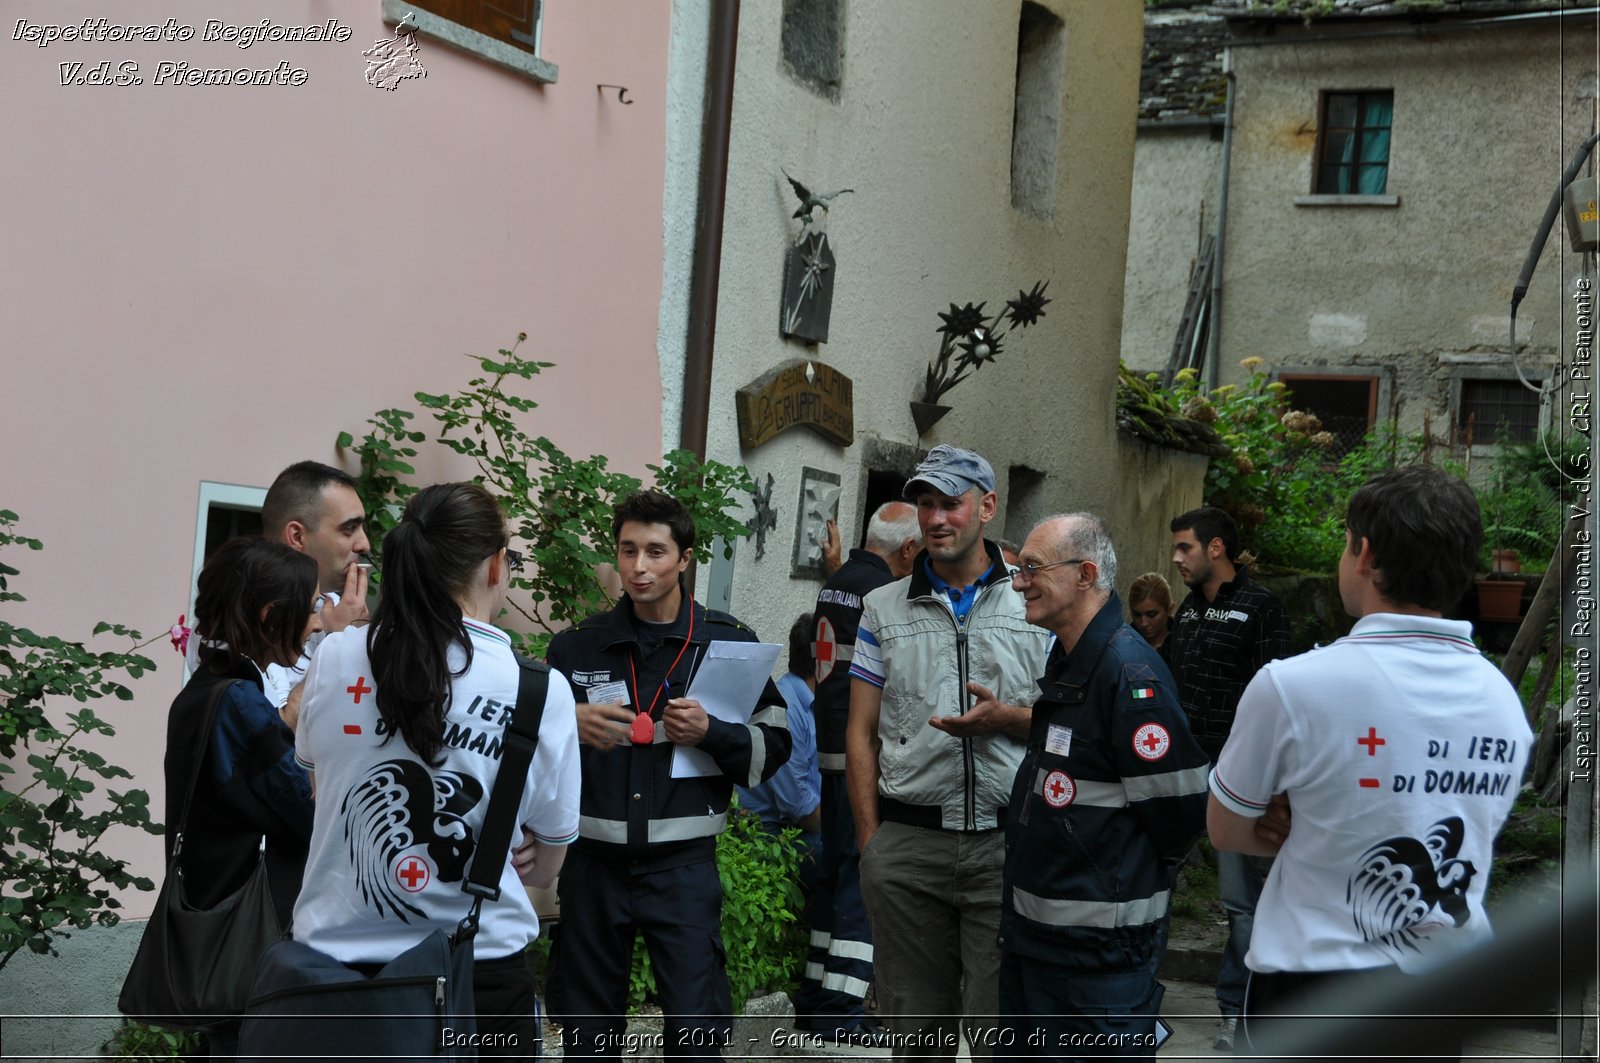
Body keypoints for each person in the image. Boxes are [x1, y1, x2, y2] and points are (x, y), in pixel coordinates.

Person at [1208, 466, 1532, 1059]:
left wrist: (1303, 818)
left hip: (1311, 990)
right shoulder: (1504, 703)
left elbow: (1227, 828)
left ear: (1365, 554)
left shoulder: (1292, 686)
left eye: (1344, 540)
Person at [292, 482, 580, 1058]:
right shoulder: (537, 691)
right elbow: (546, 864)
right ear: (496, 566)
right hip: (480, 976)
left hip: (333, 977)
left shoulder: (337, 657)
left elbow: (322, 789)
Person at [545, 488, 791, 1063]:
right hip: (593, 867)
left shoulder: (729, 644)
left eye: (655, 552)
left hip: (683, 872)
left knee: (698, 1032)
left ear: (685, 559)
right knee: (586, 1033)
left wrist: (713, 732)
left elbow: (774, 749)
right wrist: (565, 723)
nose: (638, 567)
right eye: (627, 550)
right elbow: (530, 752)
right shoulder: (576, 649)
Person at [847, 446, 1053, 1062]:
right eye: (926, 504)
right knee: (916, 1041)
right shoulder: (882, 609)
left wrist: (1008, 719)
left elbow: (1071, 724)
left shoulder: (1034, 603)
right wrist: (871, 844)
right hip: (910, 849)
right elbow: (859, 732)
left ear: (986, 507)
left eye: (951, 504)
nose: (936, 519)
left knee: (1001, 1034)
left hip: (1007, 843)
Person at [997, 514, 1208, 1060]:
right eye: (1019, 570)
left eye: (1032, 569)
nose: (1019, 583)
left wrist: (1122, 886)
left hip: (1099, 963)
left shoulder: (1128, 672)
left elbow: (1181, 811)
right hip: (1041, 948)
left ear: (1086, 574)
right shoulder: (1073, 660)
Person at [166, 536, 320, 1055]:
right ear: (271, 614)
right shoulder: (239, 702)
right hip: (253, 938)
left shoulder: (201, 690)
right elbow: (304, 809)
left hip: (215, 920)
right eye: (310, 609)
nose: (316, 623)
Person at [793, 501, 921, 1045]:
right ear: (910, 550)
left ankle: (817, 999)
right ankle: (841, 1012)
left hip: (827, 749)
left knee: (832, 877)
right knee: (861, 880)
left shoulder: (839, 581)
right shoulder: (886, 596)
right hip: (862, 755)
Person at [1165, 505, 1290, 1050]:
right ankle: (1133, 998)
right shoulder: (1188, 611)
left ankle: (1238, 1013)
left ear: (1216, 548)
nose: (1176, 559)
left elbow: (1282, 698)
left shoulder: (1262, 607)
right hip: (1178, 774)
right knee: (1151, 886)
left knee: (1241, 904)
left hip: (1239, 780)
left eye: (1184, 548)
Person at [184, 460, 371, 713]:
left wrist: (358, 640)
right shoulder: (236, 614)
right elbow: (272, 734)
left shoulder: (339, 610)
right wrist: (336, 645)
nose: (364, 545)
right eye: (349, 529)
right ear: (297, 536)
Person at [736, 613, 823, 893]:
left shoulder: (812, 701)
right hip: (770, 835)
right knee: (856, 856)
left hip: (795, 827)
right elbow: (800, 808)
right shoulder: (786, 710)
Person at [1126, 572, 1174, 652]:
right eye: (1137, 615)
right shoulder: (1124, 643)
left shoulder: (1184, 643)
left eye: (1152, 615)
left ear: (1169, 609)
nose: (1143, 623)